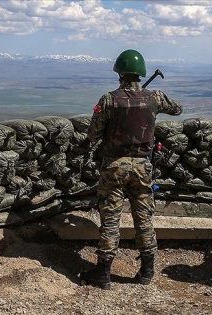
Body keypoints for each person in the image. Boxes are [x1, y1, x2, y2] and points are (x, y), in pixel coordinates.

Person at [80, 49, 183, 289]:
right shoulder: (154, 97)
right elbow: (177, 109)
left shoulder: (109, 99)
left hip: (114, 167)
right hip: (143, 167)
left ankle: (103, 273)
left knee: (111, 218)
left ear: (120, 73)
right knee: (144, 218)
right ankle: (147, 272)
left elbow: (94, 134)